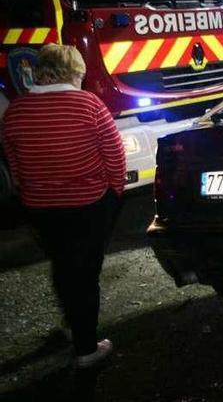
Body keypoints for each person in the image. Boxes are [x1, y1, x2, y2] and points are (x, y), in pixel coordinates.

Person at [2, 44, 126, 367]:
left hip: (41, 208)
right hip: (88, 205)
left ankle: (74, 322)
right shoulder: (89, 105)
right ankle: (87, 348)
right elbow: (115, 157)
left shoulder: (15, 111)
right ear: (73, 72)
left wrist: (28, 196)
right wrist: (114, 194)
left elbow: (15, 166)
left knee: (63, 265)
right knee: (85, 272)